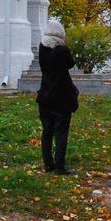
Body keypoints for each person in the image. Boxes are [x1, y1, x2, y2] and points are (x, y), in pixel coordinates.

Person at [37, 20, 79, 174]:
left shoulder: (42, 48)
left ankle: (48, 164)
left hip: (45, 95)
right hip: (61, 97)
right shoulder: (62, 50)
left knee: (47, 131)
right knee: (61, 132)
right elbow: (70, 64)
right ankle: (60, 166)